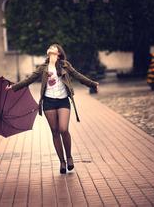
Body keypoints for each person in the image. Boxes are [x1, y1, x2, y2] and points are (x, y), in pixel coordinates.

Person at [6, 44, 99, 174]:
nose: (52, 47)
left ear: (58, 53)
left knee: (63, 129)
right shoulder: (42, 68)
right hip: (48, 102)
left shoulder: (65, 65)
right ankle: (62, 162)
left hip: (63, 101)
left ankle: (69, 157)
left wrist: (93, 84)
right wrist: (14, 87)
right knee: (55, 132)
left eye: (54, 47)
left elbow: (78, 76)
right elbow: (29, 80)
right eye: (50, 47)